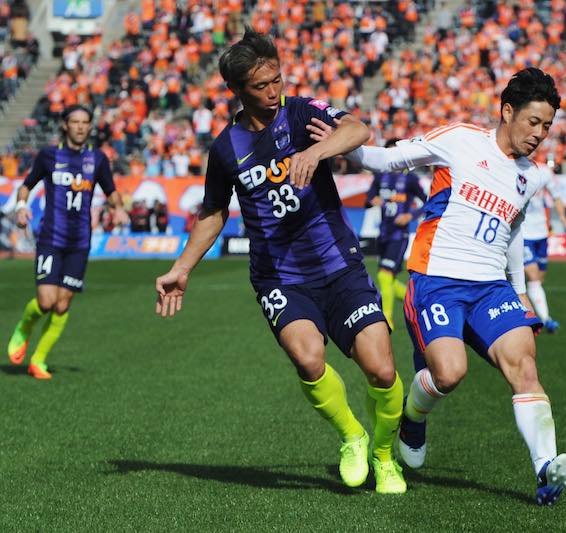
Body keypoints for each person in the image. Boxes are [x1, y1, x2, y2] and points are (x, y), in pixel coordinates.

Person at [153, 29, 407, 494]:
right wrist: (182, 267)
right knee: (308, 359)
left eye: (277, 80)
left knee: (382, 370)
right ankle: (353, 436)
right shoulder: (226, 148)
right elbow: (213, 212)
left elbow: (358, 129)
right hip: (280, 277)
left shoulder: (301, 111)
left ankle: (385, 456)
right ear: (237, 89)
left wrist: (316, 150)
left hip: (338, 263)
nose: (273, 92)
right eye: (261, 85)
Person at [309, 67, 566, 505]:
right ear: (507, 111)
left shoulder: (531, 176)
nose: (539, 134)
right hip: (437, 281)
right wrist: (341, 146)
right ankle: (413, 419)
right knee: (449, 373)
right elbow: (389, 159)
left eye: (547, 126)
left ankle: (546, 469)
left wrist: (519, 289)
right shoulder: (460, 140)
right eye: (533, 122)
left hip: (491, 287)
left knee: (525, 367)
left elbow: (512, 232)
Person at [6, 105, 129, 379]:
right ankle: (24, 327)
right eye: (75, 122)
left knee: (62, 305)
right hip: (51, 237)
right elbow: (26, 185)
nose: (80, 127)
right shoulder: (49, 155)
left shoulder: (97, 159)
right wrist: (21, 206)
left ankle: (38, 360)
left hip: (80, 241)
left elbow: (111, 191)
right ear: (65, 125)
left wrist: (118, 208)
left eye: (85, 122)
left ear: (90, 126)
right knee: (46, 302)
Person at [363, 139, 427, 330]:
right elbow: (369, 197)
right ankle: (417, 301)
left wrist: (410, 215)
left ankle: (387, 319)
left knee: (384, 276)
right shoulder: (380, 176)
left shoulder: (410, 179)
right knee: (389, 280)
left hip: (399, 235)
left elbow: (427, 202)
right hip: (383, 233)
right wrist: (372, 200)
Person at [521, 174, 566, 334]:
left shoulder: (544, 173)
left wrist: (563, 218)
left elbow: (557, 197)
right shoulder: (514, 168)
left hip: (541, 233)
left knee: (539, 279)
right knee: (534, 277)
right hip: (523, 234)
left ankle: (528, 309)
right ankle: (545, 319)